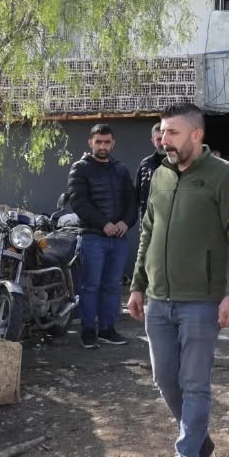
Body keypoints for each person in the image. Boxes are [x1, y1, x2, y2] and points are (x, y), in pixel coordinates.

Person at [127, 103, 229, 457]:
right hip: (159, 301)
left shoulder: (225, 176)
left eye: (173, 133)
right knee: (166, 380)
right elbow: (148, 232)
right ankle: (198, 437)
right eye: (163, 133)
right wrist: (137, 286)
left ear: (196, 135)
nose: (165, 140)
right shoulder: (160, 175)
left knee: (194, 383)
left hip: (201, 301)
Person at [66, 123, 137, 348]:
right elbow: (79, 202)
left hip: (118, 240)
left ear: (113, 143)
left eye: (107, 142)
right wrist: (104, 223)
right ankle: (88, 331)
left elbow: (132, 201)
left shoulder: (121, 169)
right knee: (90, 286)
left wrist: (126, 222)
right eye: (98, 142)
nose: (103, 146)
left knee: (112, 286)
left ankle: (107, 329)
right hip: (92, 238)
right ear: (90, 143)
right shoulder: (80, 168)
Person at [135, 121, 166, 218]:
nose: (163, 142)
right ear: (153, 141)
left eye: (165, 138)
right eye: (159, 139)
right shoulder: (145, 164)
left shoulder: (181, 163)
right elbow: (137, 197)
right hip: (148, 224)